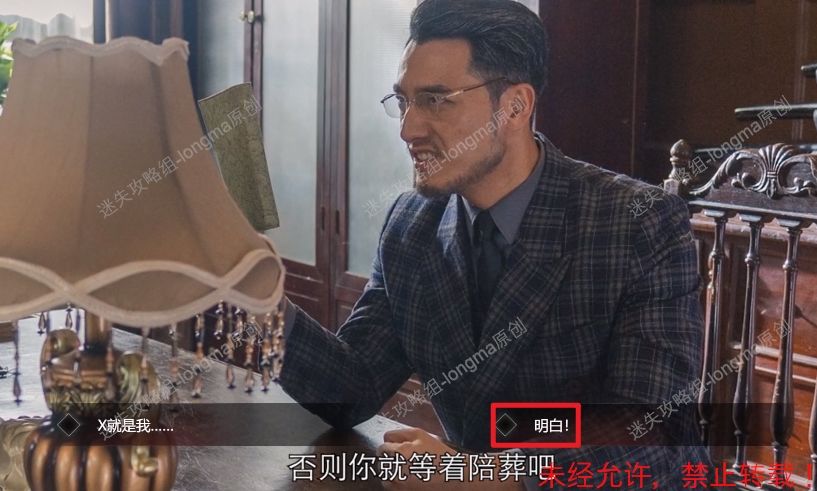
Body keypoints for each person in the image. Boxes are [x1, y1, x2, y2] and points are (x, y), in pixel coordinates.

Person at [277, 0, 710, 488]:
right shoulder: (411, 225)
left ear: (515, 106)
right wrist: (257, 293)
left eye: (436, 100)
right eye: (404, 101)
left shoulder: (636, 223)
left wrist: (477, 475)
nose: (407, 129)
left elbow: (654, 433)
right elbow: (351, 389)